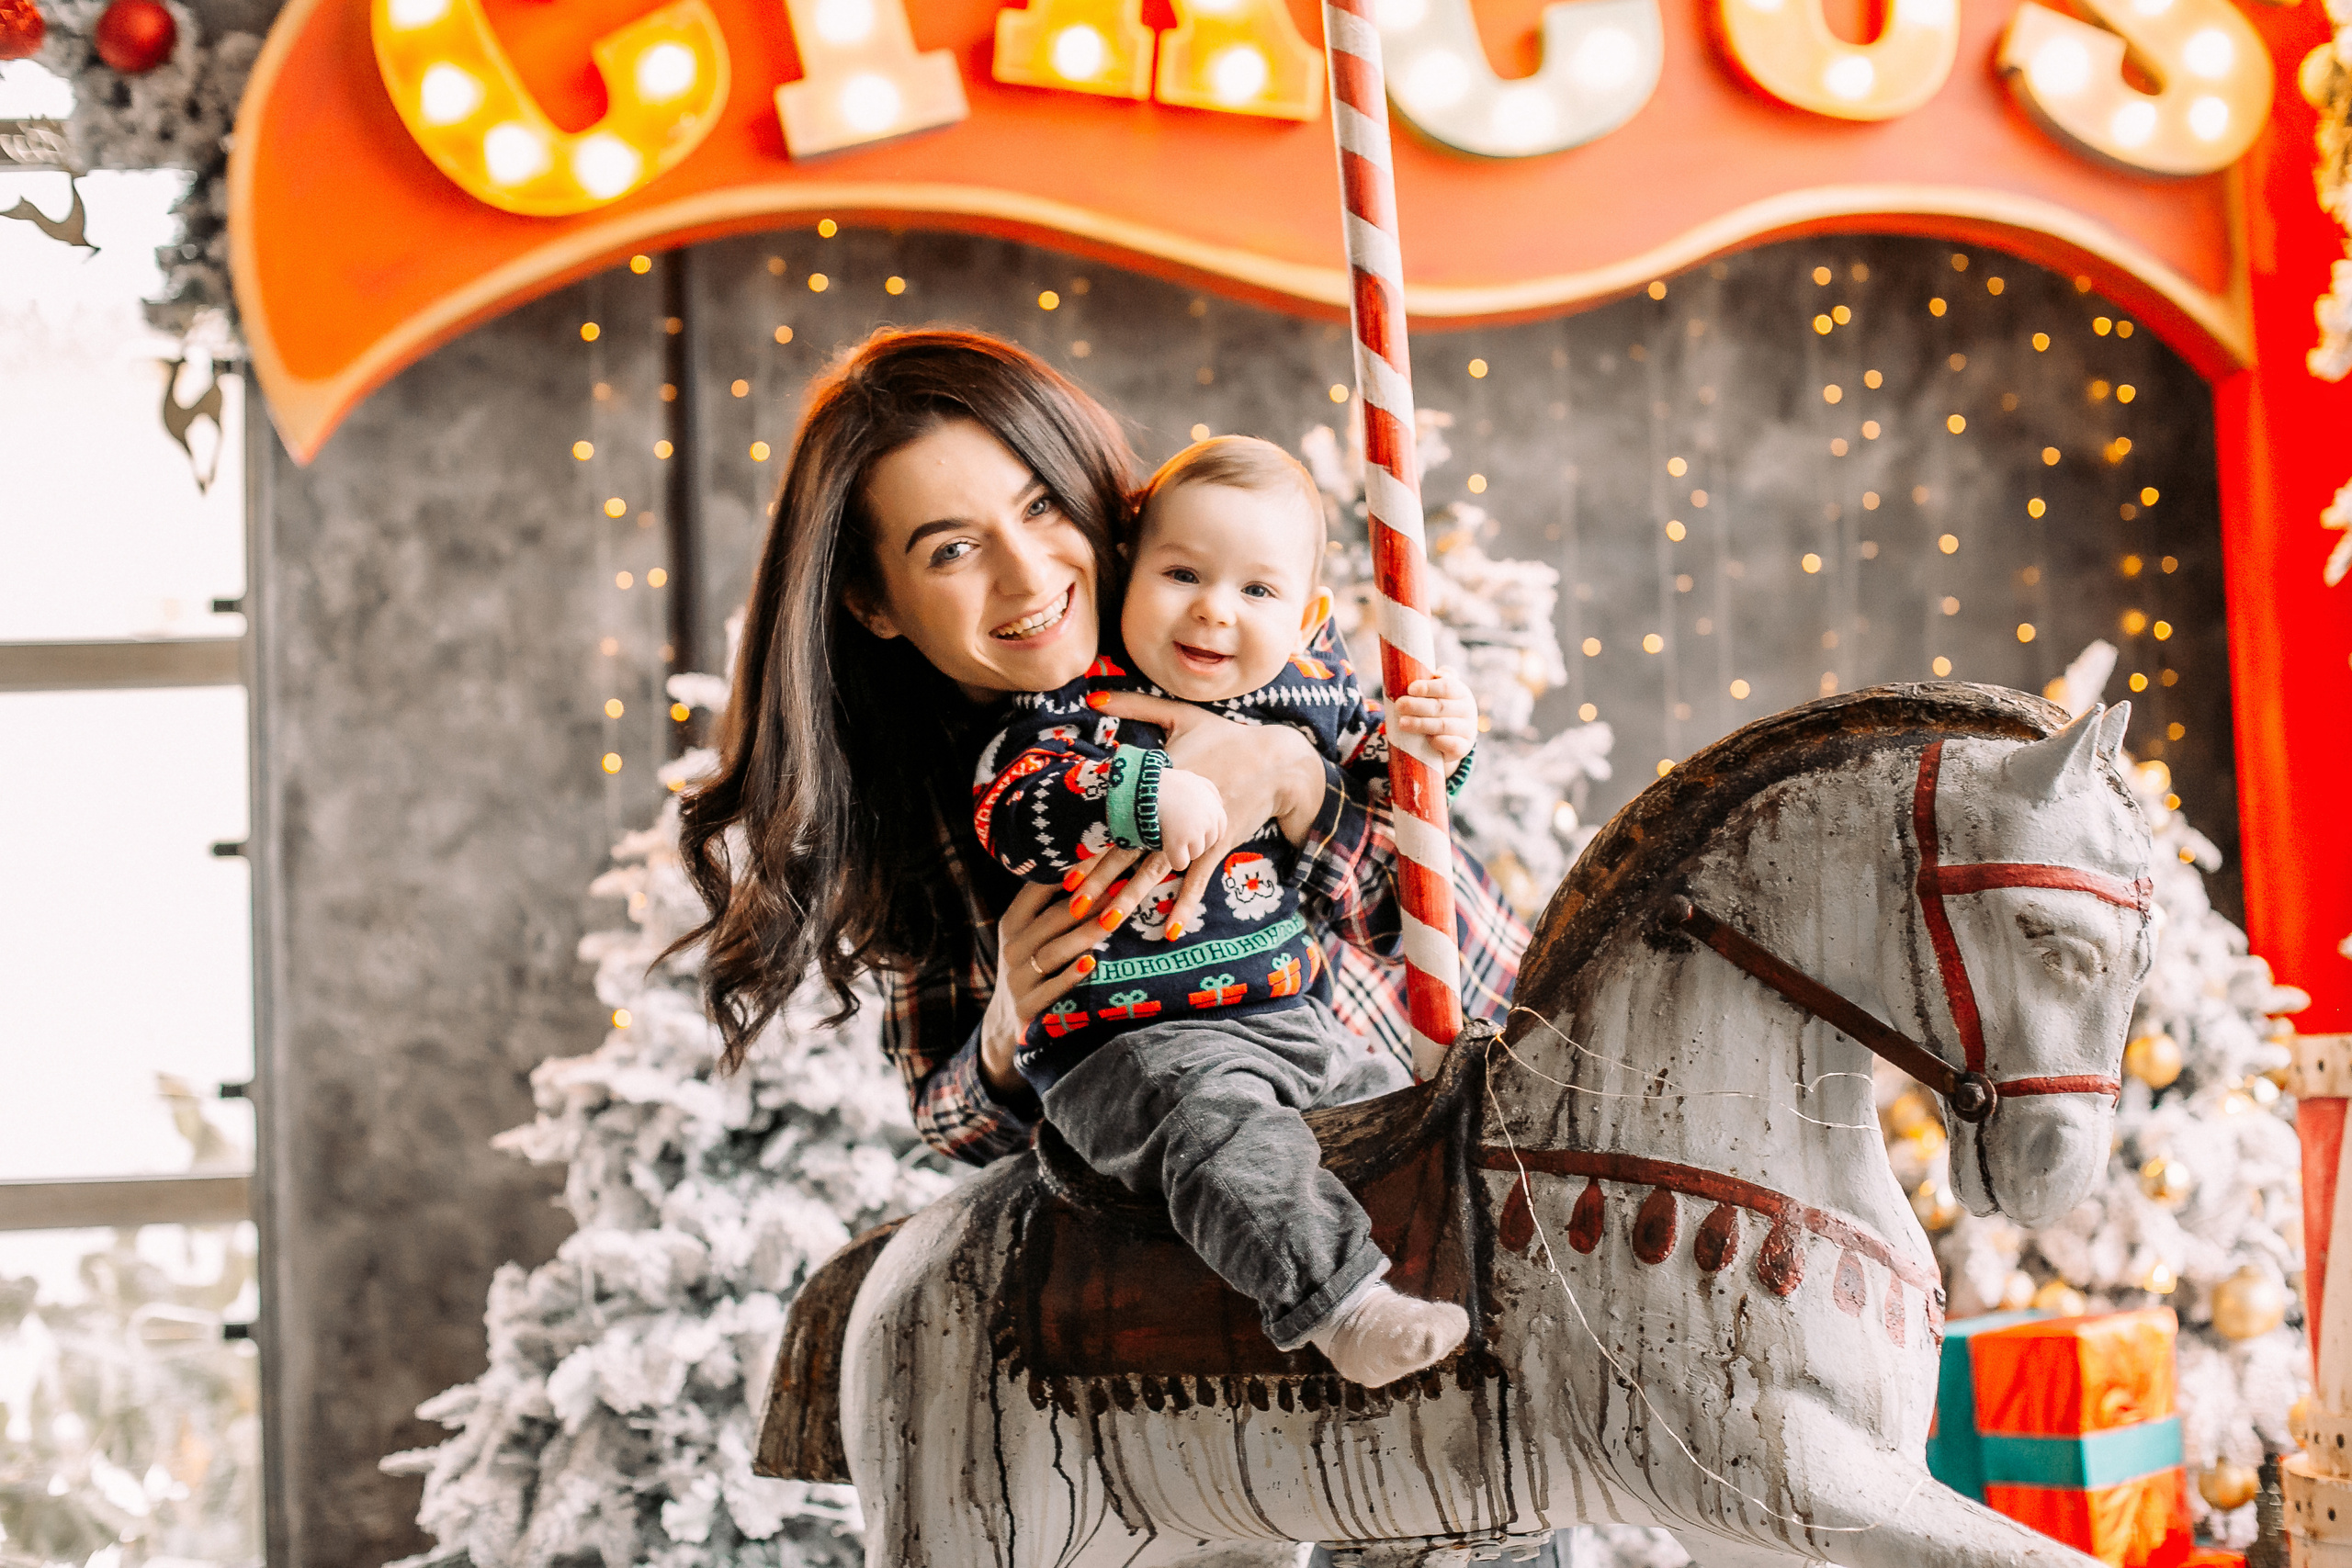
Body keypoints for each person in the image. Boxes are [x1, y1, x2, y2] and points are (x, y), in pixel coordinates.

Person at [673, 321, 1522, 1233]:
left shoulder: (1238, 645)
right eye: (951, 549)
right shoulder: (923, 795)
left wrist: (1292, 782)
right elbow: (950, 1122)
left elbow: (1493, 977)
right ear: (872, 602)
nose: (1028, 574)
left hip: (1431, 1157)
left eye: (1041, 506)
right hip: (1209, 1223)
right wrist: (1005, 1033)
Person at [973, 434, 1480, 1384]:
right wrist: (1136, 795)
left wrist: (1431, 749)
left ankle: (1470, 1292)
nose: (1212, 608)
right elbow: (1015, 807)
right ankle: (1341, 1307)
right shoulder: (1081, 700)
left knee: (1413, 1117)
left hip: (1295, 1022)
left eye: (1257, 591)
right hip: (1135, 1047)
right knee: (1222, 1134)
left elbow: (1386, 809)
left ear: (1308, 615)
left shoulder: (1315, 698)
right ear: (1126, 575)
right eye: (1180, 573)